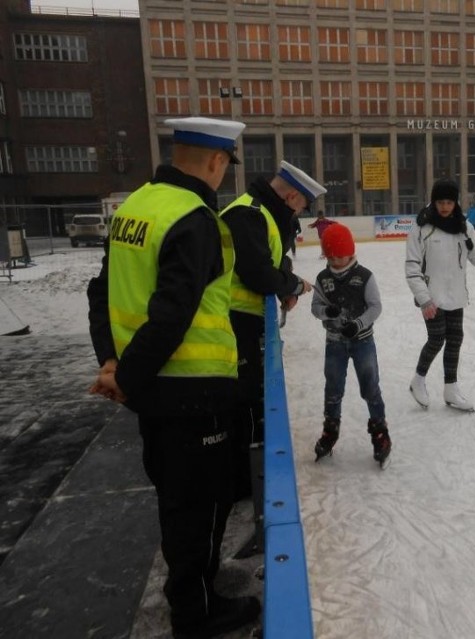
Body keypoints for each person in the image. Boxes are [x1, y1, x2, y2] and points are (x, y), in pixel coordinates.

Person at [86, 116, 262, 638]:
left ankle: (192, 593)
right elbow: (173, 311)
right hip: (193, 390)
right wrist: (127, 376)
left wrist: (114, 363)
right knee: (201, 507)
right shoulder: (194, 216)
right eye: (227, 164)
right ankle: (196, 613)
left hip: (154, 392)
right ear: (215, 160)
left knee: (176, 498)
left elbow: (102, 292)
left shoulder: (135, 207)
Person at [218, 160, 324, 554]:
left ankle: (246, 481)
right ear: (292, 196)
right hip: (232, 323)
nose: (298, 214)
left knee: (252, 402)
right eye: (300, 206)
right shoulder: (248, 214)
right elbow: (258, 273)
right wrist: (291, 284)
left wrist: (286, 283)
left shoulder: (262, 213)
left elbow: (274, 260)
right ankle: (242, 483)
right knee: (245, 404)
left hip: (245, 323)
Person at [405, 178, 475, 412]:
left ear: (455, 203)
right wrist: (424, 298)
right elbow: (412, 267)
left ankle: (451, 388)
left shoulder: (464, 228)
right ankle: (418, 380)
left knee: (455, 339)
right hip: (431, 297)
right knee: (437, 338)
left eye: (449, 202)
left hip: (456, 295)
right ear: (433, 202)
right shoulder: (422, 227)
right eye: (440, 202)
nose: (445, 207)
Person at [311, 223, 391, 467]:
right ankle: (330, 430)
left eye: (340, 255)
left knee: (370, 386)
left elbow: (376, 307)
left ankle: (380, 432)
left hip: (362, 342)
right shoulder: (323, 279)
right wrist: (327, 311)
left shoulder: (364, 276)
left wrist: (357, 324)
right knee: (333, 388)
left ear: (350, 251)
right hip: (334, 343)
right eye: (331, 256)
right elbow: (315, 308)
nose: (335, 261)